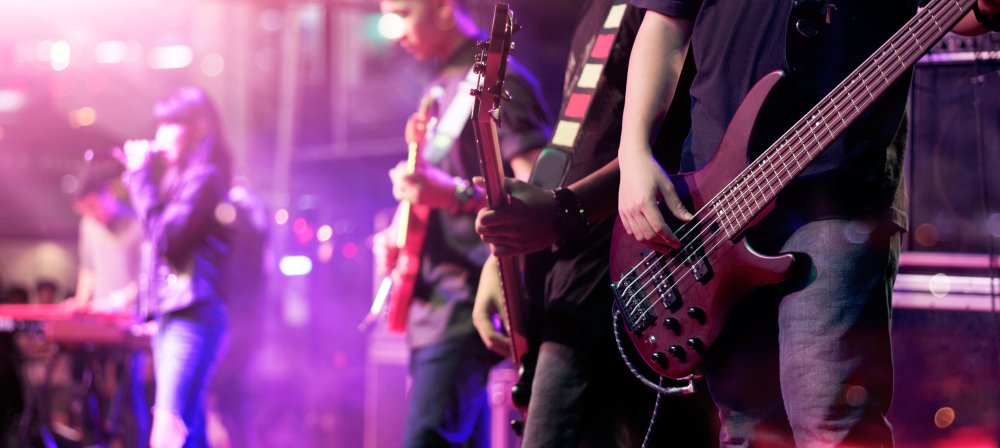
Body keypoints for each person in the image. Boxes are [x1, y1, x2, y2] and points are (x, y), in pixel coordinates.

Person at [615, 1, 999, 447]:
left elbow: (957, 11)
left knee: (831, 419)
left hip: (839, 184)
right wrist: (633, 152)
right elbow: (664, 22)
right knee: (746, 427)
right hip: (716, 201)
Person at [472, 3, 718, 447]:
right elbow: (568, 154)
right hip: (571, 278)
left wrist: (564, 211)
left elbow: (674, 148)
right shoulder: (595, 14)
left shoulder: (666, 14)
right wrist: (503, 255)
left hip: (632, 275)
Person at [374, 0, 550, 446]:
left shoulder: (498, 81)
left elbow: (542, 195)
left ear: (444, 9)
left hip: (466, 302)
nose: (393, 29)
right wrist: (397, 230)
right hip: (431, 306)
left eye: (403, 12)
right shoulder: (437, 87)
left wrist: (453, 194)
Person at [121, 86, 233, 448]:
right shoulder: (179, 179)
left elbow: (165, 238)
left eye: (171, 124)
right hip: (175, 314)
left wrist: (139, 178)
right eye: (160, 125)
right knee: (189, 427)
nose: (160, 136)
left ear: (199, 127)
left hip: (193, 313)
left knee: (168, 429)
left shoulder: (205, 178)